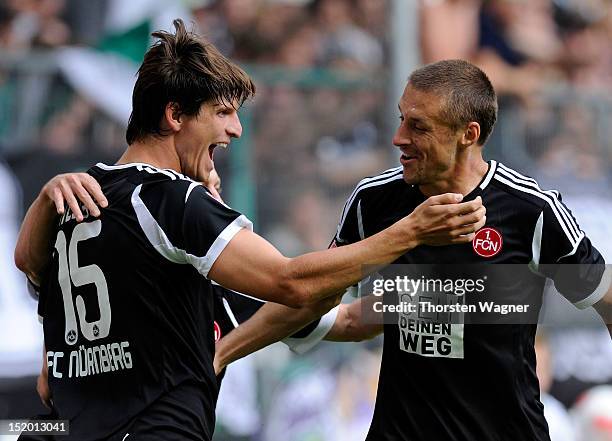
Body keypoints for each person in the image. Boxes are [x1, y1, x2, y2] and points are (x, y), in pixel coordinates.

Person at [13, 21, 486, 441]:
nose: (237, 129)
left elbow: (338, 320)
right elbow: (291, 281)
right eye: (221, 112)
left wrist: (453, 296)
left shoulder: (78, 197)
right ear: (175, 116)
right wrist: (410, 232)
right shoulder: (171, 201)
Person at [213, 59, 612, 441]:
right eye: (401, 117)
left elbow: (605, 298)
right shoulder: (375, 201)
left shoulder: (530, 210)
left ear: (468, 134)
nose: (398, 137)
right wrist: (222, 353)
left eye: (418, 126)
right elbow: (326, 302)